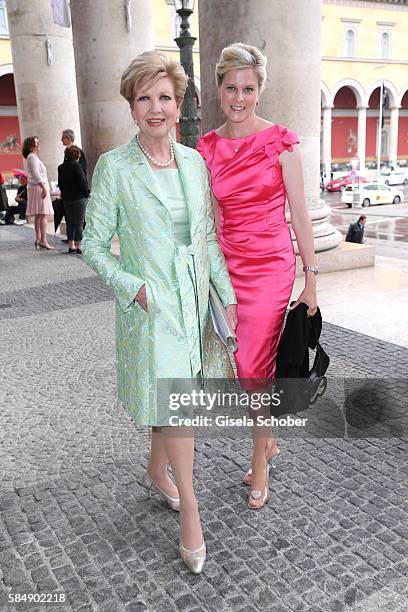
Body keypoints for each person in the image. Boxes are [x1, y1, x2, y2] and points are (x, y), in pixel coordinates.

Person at [82, 50, 237, 574]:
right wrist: (133, 287)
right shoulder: (114, 168)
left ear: (180, 105)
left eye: (165, 97)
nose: (156, 108)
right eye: (144, 98)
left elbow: (207, 238)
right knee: (179, 405)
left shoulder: (194, 163)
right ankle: (191, 512)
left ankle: (156, 469)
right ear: (131, 107)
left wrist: (227, 297)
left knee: (170, 398)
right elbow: (94, 245)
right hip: (151, 308)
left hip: (192, 301)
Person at [197, 43, 318, 509]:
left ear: (260, 90)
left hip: (271, 265)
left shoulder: (282, 144)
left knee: (253, 367)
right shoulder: (206, 148)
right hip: (229, 267)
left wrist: (311, 276)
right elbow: (207, 219)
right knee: (237, 365)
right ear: (219, 90)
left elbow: (301, 215)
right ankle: (266, 440)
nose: (239, 98)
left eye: (248, 88)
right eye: (231, 88)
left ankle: (260, 459)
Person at [22, 136, 55, 250]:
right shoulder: (32, 157)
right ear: (32, 145)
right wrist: (44, 188)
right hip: (38, 187)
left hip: (36, 187)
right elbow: (36, 174)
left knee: (39, 215)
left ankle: (39, 238)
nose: (38, 144)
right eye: (36, 142)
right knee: (43, 214)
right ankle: (43, 240)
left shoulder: (32, 157)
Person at [58, 145, 89, 254]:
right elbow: (82, 182)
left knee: (70, 222)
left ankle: (71, 245)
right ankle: (78, 245)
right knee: (79, 223)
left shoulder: (60, 167)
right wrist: (87, 194)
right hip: (78, 198)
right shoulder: (77, 166)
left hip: (67, 199)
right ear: (76, 155)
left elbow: (60, 184)